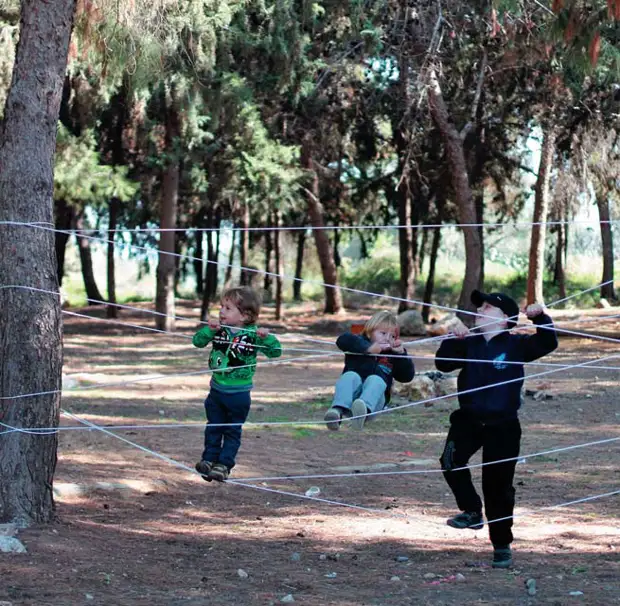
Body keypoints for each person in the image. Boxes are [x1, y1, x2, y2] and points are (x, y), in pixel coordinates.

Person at [435, 289, 558, 569]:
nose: (480, 311)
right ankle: (471, 511)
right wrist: (452, 339)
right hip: (468, 419)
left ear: (505, 319)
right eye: (479, 307)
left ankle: (501, 544)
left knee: (497, 486)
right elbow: (443, 364)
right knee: (450, 461)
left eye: (488, 307)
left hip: (503, 425)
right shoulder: (470, 342)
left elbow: (548, 343)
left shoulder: (517, 345)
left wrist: (541, 318)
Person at [193, 286, 281, 482]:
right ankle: (208, 460)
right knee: (214, 427)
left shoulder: (253, 335)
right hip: (216, 391)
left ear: (245, 315)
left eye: (228, 308)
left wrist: (267, 338)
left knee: (232, 430)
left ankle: (224, 465)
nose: (221, 311)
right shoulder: (218, 330)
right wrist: (208, 330)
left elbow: (276, 352)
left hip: (239, 395)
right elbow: (197, 342)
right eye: (222, 306)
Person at [324, 310, 415, 431]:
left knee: (375, 379)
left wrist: (402, 355)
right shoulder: (358, 343)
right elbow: (342, 340)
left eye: (392, 336)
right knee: (350, 376)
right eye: (383, 333)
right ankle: (336, 412)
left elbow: (407, 377)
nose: (387, 339)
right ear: (370, 331)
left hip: (375, 402)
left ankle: (362, 412)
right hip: (351, 399)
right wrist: (368, 348)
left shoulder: (393, 355)